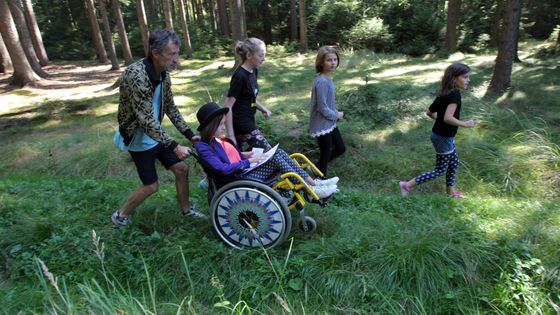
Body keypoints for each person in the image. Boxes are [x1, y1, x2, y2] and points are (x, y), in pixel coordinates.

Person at [112, 29, 206, 228]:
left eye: (177, 53)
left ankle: (186, 211)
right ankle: (120, 217)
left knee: (181, 169)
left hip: (155, 134)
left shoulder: (163, 74)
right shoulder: (136, 74)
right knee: (151, 186)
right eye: (172, 54)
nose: (176, 59)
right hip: (139, 138)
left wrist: (190, 135)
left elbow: (170, 107)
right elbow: (145, 120)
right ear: (155, 53)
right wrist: (174, 146)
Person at [194, 102, 339, 199]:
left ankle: (313, 183)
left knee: (279, 152)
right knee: (276, 157)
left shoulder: (219, 140)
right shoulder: (204, 146)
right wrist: (250, 161)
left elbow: (233, 156)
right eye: (220, 125)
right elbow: (222, 168)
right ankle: (311, 189)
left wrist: (248, 154)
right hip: (238, 179)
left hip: (244, 171)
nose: (224, 127)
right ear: (211, 126)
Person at [399, 63, 476, 198]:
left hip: (442, 135)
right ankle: (406, 185)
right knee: (440, 170)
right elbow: (447, 118)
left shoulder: (444, 92)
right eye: (465, 77)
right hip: (443, 137)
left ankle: (451, 193)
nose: (468, 80)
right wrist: (465, 124)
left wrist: (440, 120)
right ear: (454, 79)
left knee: (454, 162)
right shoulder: (455, 95)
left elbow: (429, 112)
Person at [224, 37, 272, 151]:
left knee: (245, 158)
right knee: (267, 150)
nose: (263, 59)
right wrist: (231, 136)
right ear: (249, 55)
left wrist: (263, 109)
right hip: (240, 122)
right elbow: (228, 106)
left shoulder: (254, 70)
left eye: (264, 55)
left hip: (249, 119)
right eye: (260, 55)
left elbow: (250, 97)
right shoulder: (239, 76)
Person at [309, 46, 346, 177]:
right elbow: (322, 108)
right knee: (325, 153)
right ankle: (320, 181)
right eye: (329, 60)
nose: (333, 62)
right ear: (321, 62)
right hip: (321, 124)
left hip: (329, 122)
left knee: (341, 148)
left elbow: (328, 104)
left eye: (335, 59)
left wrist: (335, 112)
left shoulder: (328, 79)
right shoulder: (322, 81)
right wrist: (337, 115)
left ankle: (315, 168)